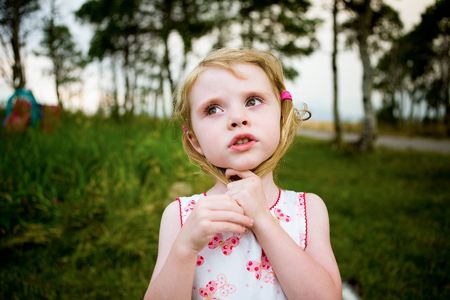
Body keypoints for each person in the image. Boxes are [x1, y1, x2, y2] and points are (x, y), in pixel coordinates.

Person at [144, 48, 341, 300]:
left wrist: (262, 218)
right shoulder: (182, 217)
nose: (237, 118)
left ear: (281, 116)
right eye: (213, 109)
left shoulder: (308, 210)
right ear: (195, 141)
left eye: (252, 101)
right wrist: (185, 248)